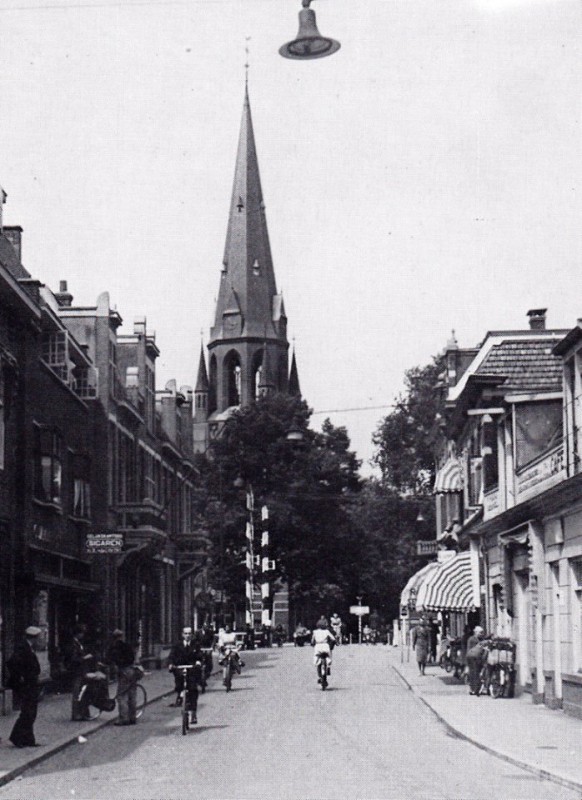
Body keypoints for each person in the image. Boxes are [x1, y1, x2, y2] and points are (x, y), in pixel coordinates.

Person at [7, 626, 42, 748]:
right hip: (26, 684)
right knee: (28, 712)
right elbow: (12, 663)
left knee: (31, 712)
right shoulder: (23, 648)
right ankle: (17, 738)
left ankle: (28, 739)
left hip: (31, 683)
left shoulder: (28, 647)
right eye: (38, 637)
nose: (40, 639)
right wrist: (21, 677)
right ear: (34, 637)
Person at [167, 627, 202, 724]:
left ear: (192, 635)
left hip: (192, 669)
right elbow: (171, 656)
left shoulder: (196, 645)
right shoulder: (177, 645)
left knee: (193, 691)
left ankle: (194, 713)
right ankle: (180, 695)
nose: (188, 635)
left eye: (189, 633)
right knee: (179, 685)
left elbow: (199, 655)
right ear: (183, 635)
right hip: (180, 669)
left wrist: (198, 662)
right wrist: (171, 664)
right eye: (186, 633)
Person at [106, 629, 139, 726]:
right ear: (121, 636)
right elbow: (132, 657)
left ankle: (124, 719)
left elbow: (110, 659)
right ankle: (132, 717)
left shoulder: (114, 647)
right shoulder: (127, 646)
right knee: (132, 695)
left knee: (121, 695)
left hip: (123, 671)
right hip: (132, 670)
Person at [67, 624, 95, 721]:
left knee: (82, 692)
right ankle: (76, 714)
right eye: (82, 633)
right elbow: (74, 659)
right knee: (77, 692)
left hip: (82, 671)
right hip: (77, 672)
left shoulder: (78, 643)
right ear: (78, 633)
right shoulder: (73, 644)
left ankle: (83, 713)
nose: (83, 635)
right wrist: (85, 658)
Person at [466, 625, 488, 695]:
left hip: (478, 658)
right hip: (472, 658)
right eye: (480, 632)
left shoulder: (481, 639)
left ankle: (476, 689)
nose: (482, 634)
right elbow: (469, 649)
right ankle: (473, 689)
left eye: (482, 632)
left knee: (477, 673)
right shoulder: (472, 639)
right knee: (473, 673)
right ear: (476, 632)